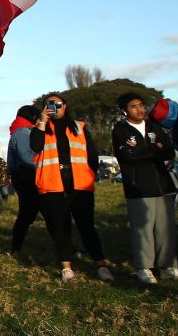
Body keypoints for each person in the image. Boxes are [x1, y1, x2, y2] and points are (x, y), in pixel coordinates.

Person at [112, 93, 178, 285]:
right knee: (143, 229)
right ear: (125, 110)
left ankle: (168, 267)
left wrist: (152, 150)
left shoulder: (154, 127)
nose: (140, 109)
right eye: (134, 106)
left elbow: (167, 150)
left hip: (163, 183)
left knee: (165, 227)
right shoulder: (120, 130)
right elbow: (130, 156)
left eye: (141, 105)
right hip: (138, 186)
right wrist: (154, 149)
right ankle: (144, 268)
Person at [31, 92, 112, 283]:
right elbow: (35, 146)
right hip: (53, 185)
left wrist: (89, 175)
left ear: (65, 106)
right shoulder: (39, 128)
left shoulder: (79, 126)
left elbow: (92, 155)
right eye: (49, 104)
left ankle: (101, 265)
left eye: (58, 104)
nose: (54, 108)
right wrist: (41, 121)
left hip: (80, 185)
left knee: (87, 227)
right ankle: (66, 267)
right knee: (61, 228)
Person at [6, 105, 43, 254]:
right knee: (28, 213)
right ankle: (16, 247)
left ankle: (16, 246)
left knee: (30, 212)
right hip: (27, 176)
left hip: (25, 176)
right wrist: (44, 166)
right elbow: (27, 157)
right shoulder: (22, 132)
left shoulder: (19, 129)